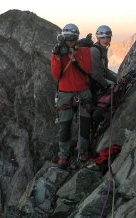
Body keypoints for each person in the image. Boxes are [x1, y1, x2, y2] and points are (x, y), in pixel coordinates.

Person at [51, 24, 93, 168]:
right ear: (63, 38)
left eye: (73, 38)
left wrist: (73, 57)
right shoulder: (58, 53)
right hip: (65, 92)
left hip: (82, 91)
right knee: (65, 126)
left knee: (85, 123)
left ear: (77, 38)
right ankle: (64, 155)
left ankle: (82, 151)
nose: (69, 42)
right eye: (67, 39)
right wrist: (57, 58)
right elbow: (56, 75)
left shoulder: (85, 51)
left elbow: (87, 69)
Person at [90, 25, 118, 137]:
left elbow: (104, 70)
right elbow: (95, 73)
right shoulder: (95, 50)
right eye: (103, 38)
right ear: (98, 38)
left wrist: (117, 78)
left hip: (98, 83)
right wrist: (108, 83)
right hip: (92, 85)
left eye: (108, 37)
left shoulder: (103, 49)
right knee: (96, 112)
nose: (106, 40)